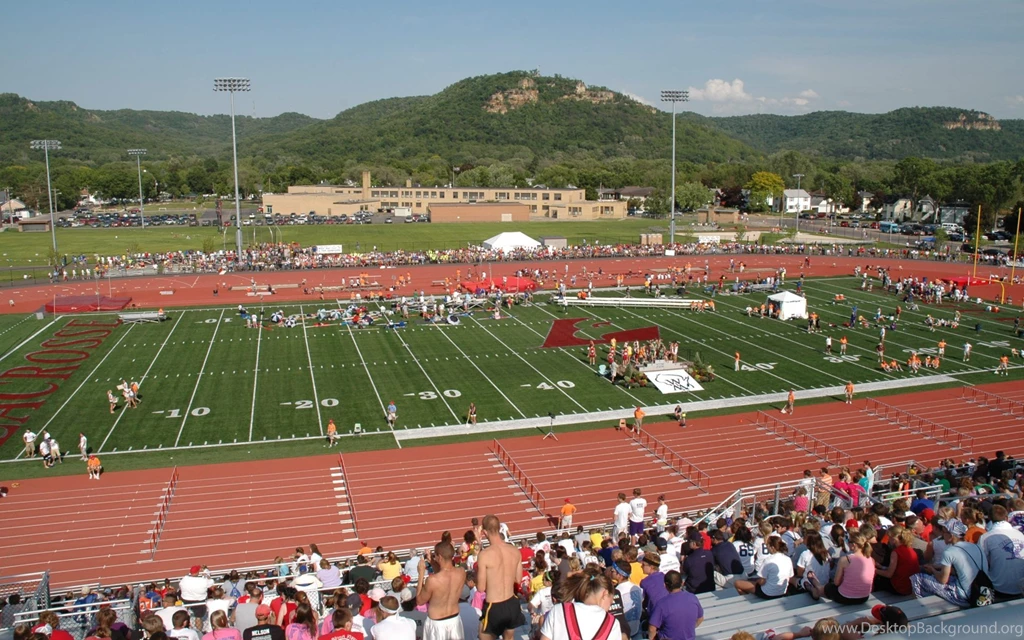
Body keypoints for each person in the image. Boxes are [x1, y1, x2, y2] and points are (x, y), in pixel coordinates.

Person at [539, 567, 622, 640]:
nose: (609, 607)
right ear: (605, 594)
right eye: (610, 602)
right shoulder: (612, 624)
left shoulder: (559, 610)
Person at [477, 515, 525, 640]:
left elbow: (481, 587)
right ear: (499, 528)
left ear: (485, 532)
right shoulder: (514, 550)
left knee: (483, 635)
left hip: (494, 606)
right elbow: (518, 579)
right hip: (511, 603)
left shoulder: (484, 555)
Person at [416, 541, 467, 640]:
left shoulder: (432, 580)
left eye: (435, 555)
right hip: (455, 620)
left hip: (437, 624)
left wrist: (421, 574)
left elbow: (419, 601)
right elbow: (444, 576)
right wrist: (432, 562)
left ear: (439, 557)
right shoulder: (461, 572)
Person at [977, 505, 1024, 598]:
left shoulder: (985, 538)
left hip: (998, 587)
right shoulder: (1020, 534)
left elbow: (981, 563)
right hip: (1021, 587)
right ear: (1006, 518)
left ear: (990, 518)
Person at [647, 571, 703, 640]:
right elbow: (700, 619)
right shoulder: (693, 598)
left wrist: (651, 638)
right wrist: (688, 629)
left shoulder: (662, 604)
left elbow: (652, 628)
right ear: (682, 583)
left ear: (665, 585)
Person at [824, 531, 873, 605]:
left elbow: (836, 582)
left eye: (848, 541)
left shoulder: (845, 559)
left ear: (853, 544)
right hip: (864, 597)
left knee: (828, 587)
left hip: (846, 597)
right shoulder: (871, 559)